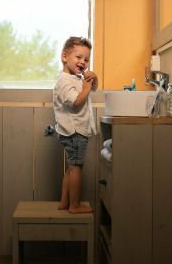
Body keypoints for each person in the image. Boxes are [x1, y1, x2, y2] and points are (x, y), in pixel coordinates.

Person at [53, 36, 98, 213]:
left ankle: (65, 202)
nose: (83, 62)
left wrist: (94, 78)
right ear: (65, 57)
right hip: (74, 132)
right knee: (76, 168)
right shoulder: (64, 81)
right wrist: (86, 89)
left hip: (74, 131)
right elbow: (76, 102)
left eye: (86, 59)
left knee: (71, 169)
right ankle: (75, 205)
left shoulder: (76, 78)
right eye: (78, 57)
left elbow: (93, 88)